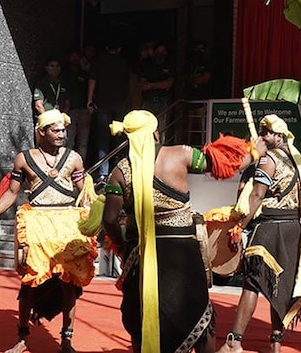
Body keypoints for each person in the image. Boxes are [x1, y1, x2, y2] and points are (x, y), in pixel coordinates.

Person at [101, 110, 264, 353]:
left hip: (142, 256)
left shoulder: (120, 172)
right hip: (183, 255)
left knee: (143, 318)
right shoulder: (179, 155)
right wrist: (254, 152)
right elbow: (223, 165)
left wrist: (123, 248)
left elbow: (110, 219)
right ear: (156, 133)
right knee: (199, 317)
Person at [0, 109, 97, 353]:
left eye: (63, 130)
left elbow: (84, 194)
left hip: (67, 224)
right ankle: (22, 338)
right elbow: (12, 193)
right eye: (55, 130)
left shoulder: (74, 158)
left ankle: (66, 340)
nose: (61, 135)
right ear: (41, 132)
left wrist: (95, 215)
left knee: (68, 283)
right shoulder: (24, 159)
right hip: (37, 224)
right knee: (29, 283)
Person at [218, 114, 301, 353]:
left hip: (271, 228)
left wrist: (240, 225)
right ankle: (275, 344)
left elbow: (257, 196)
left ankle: (233, 342)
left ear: (279, 136)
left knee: (252, 282)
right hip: (292, 228)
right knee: (279, 286)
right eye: (261, 132)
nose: (262, 136)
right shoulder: (296, 162)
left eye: (267, 132)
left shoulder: (268, 160)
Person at [88, 40, 135, 182]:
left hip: (102, 103)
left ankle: (103, 173)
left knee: (103, 138)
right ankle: (120, 169)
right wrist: (129, 101)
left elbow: (92, 80)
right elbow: (131, 82)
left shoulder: (98, 62)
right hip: (120, 104)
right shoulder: (124, 62)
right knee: (120, 136)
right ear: (119, 49)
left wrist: (89, 99)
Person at [64, 46, 94, 159]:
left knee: (83, 141)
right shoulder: (64, 74)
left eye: (77, 56)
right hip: (69, 111)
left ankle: (79, 168)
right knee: (68, 141)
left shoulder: (85, 74)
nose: (75, 58)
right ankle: (66, 165)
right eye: (73, 56)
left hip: (84, 110)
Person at [139, 42, 175, 135]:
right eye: (158, 51)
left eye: (163, 51)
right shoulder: (147, 65)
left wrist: (151, 85)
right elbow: (142, 85)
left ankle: (159, 149)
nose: (161, 53)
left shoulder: (169, 65)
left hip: (162, 102)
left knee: (161, 131)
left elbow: (168, 84)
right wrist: (159, 84)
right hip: (147, 101)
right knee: (144, 130)